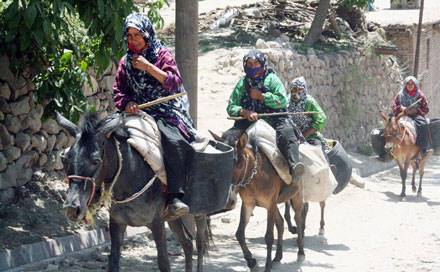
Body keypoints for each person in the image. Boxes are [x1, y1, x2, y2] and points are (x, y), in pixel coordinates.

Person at [113, 12, 195, 219]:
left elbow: (174, 83)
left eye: (137, 35)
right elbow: (118, 92)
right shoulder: (125, 62)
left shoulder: (162, 55)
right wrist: (128, 103)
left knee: (172, 140)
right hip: (137, 111)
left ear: (147, 35)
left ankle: (175, 196)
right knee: (107, 135)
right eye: (129, 36)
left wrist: (149, 68)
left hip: (165, 108)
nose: (133, 40)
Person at [226, 49, 305, 181]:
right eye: (249, 64)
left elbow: (282, 101)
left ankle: (294, 165)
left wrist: (262, 97)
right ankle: (227, 169)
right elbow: (231, 106)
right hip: (248, 120)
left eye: (255, 64)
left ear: (262, 64)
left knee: (286, 133)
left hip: (273, 118)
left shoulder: (272, 79)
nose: (252, 67)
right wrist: (243, 112)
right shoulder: (242, 83)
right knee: (228, 137)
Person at [391, 76, 431, 156]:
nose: (410, 85)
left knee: (423, 125)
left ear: (415, 85)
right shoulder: (400, 94)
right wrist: (401, 108)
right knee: (389, 126)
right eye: (408, 84)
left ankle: (422, 149)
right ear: (405, 85)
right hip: (401, 115)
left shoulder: (420, 95)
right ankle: (387, 149)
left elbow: (425, 109)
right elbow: (394, 106)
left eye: (412, 84)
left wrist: (416, 110)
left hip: (415, 116)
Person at [287, 76, 327, 149]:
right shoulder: (287, 101)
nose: (297, 92)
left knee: (317, 152)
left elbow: (322, 118)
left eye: (300, 89)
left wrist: (305, 135)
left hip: (310, 136)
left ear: (304, 89)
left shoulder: (309, 102)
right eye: (294, 89)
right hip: (293, 136)